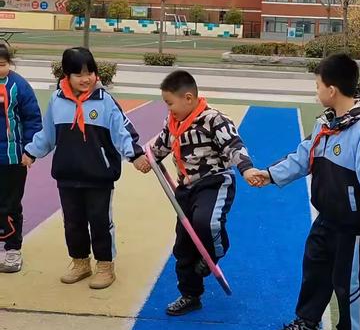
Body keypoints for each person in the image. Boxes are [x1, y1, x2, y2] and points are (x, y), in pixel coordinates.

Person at [253, 54, 360, 330]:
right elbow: (303, 157)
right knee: (314, 268)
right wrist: (271, 174)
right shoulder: (325, 124)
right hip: (326, 217)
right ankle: (308, 322)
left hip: (352, 223)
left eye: (317, 85)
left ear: (332, 90)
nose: (316, 92)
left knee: (348, 279)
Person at [22, 47, 149, 289]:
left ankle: (105, 265)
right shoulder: (57, 101)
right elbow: (48, 135)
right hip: (68, 175)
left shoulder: (105, 102)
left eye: (90, 72)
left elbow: (121, 133)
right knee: (73, 222)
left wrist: (136, 155)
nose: (86, 78)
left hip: (99, 177)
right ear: (66, 76)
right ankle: (80, 262)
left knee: (100, 221)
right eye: (79, 74)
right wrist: (31, 152)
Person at [152, 70, 259, 315]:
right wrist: (145, 159)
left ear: (188, 98)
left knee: (206, 222)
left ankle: (217, 250)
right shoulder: (173, 122)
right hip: (186, 187)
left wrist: (247, 169)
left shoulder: (214, 119)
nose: (169, 109)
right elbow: (161, 146)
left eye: (170, 103)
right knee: (183, 245)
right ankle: (190, 295)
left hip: (214, 181)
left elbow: (234, 146)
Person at [0, 44, 42, 273]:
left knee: (10, 205)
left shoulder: (20, 86)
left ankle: (13, 250)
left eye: (2, 65)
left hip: (13, 159)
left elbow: (33, 119)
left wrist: (30, 150)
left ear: (10, 64)